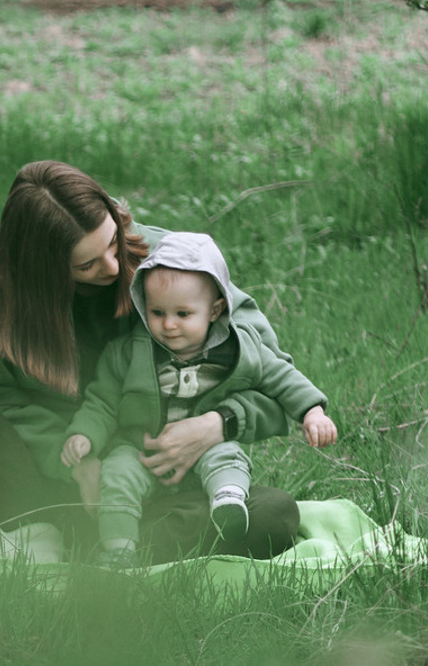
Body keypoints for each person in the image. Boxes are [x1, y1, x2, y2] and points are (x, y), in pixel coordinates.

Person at [0, 161, 304, 560]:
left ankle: (105, 549)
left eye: (113, 241)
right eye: (86, 264)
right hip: (39, 477)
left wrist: (217, 424)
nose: (113, 266)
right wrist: (76, 465)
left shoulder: (176, 266)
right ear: (42, 273)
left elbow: (275, 378)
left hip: (147, 482)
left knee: (273, 514)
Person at [59, 231, 337, 565]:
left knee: (227, 457)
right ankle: (119, 550)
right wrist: (84, 435)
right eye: (157, 312)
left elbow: (282, 377)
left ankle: (227, 504)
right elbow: (101, 402)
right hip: (140, 451)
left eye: (183, 314)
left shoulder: (239, 349)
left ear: (215, 310)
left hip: (205, 450)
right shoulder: (127, 353)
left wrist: (312, 412)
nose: (169, 325)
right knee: (117, 474)